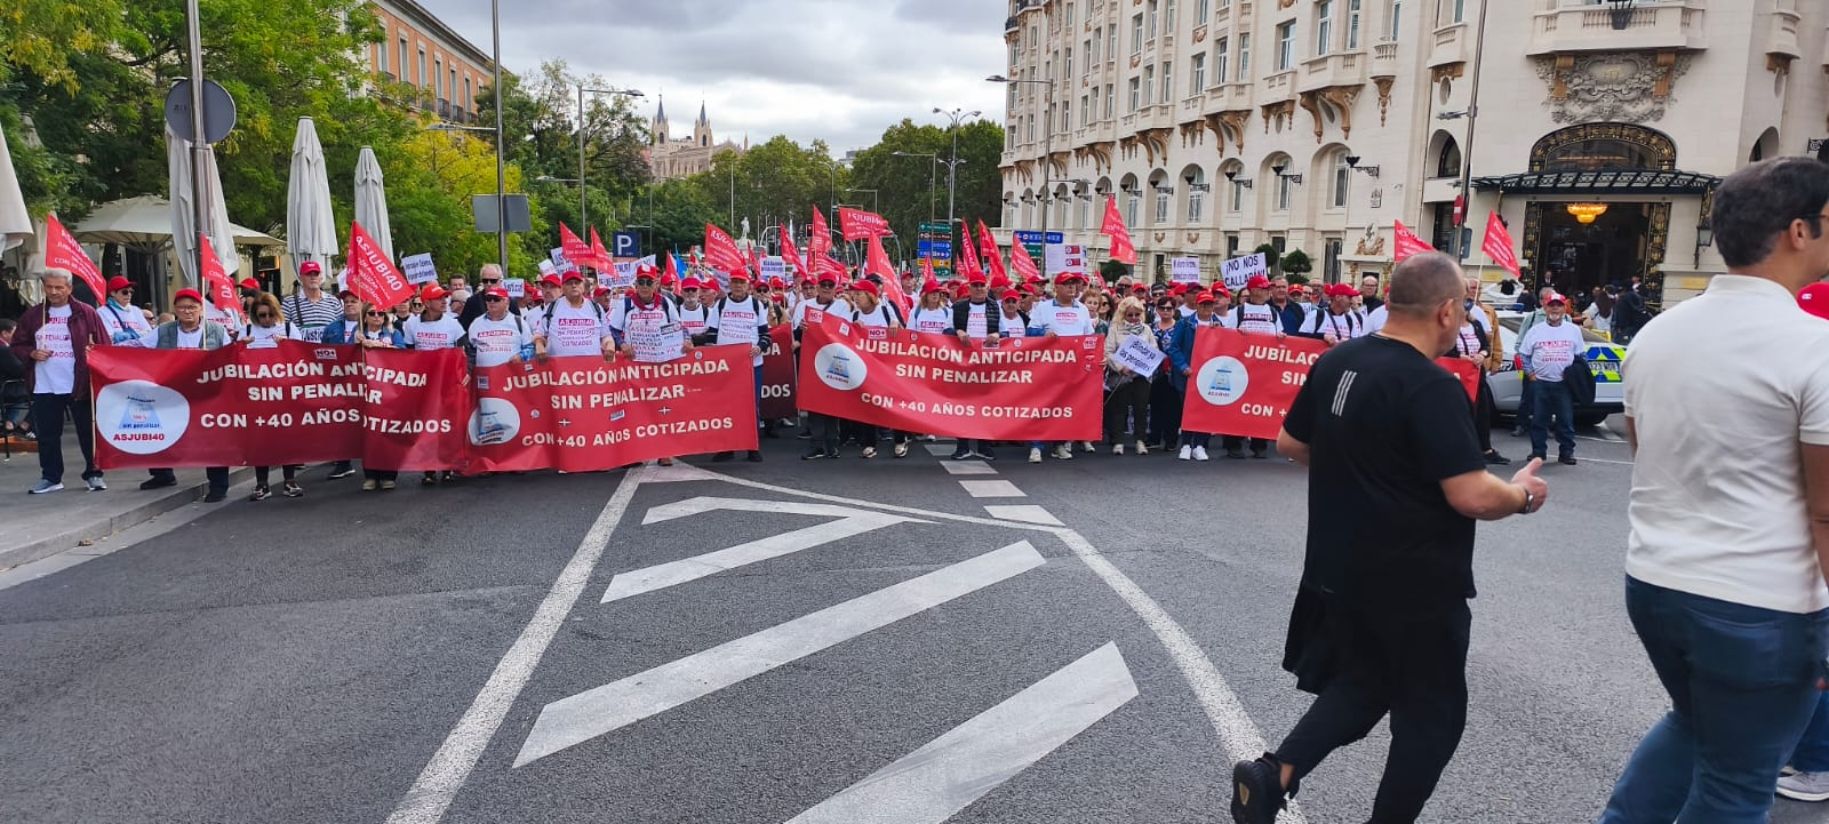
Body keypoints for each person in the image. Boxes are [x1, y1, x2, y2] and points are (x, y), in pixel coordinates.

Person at [1230, 251, 1550, 824]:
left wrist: (1359, 466)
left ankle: (1273, 774)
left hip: (1339, 567)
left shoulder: (1338, 360)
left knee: (1366, 681)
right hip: (1416, 581)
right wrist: (1523, 495)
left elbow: (1290, 443)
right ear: (1448, 311)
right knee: (1433, 715)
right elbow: (1472, 495)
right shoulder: (1431, 386)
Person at [1598, 156, 1829, 823]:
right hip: (1762, 602)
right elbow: (1824, 510)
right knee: (1735, 785)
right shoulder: (1812, 345)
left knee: (1694, 725)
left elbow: (1650, 453)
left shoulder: (1656, 335)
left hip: (1657, 581)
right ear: (1796, 231)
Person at [12, 269, 110, 493]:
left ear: (69, 288)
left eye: (59, 287)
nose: (54, 292)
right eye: (49, 287)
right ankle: (51, 477)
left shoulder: (87, 313)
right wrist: (32, 353)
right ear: (44, 287)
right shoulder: (33, 316)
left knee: (89, 433)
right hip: (44, 385)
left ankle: (94, 474)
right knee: (47, 435)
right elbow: (17, 346)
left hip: (80, 384)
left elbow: (104, 345)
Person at [141, 289, 231, 502]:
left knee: (212, 440)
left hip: (207, 393)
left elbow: (230, 356)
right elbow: (138, 347)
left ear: (201, 308)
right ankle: (162, 474)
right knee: (160, 430)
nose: (187, 311)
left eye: (192, 307)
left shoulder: (217, 331)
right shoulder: (164, 331)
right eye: (182, 307)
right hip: (171, 392)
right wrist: (101, 350)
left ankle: (218, 485)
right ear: (175, 310)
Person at [699, 272, 770, 462]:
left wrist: (759, 348)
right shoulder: (721, 305)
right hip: (726, 367)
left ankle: (751, 447)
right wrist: (712, 351)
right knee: (725, 406)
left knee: (751, 406)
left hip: (751, 365)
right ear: (730, 284)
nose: (738, 286)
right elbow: (712, 333)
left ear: (748, 285)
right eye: (735, 282)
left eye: (742, 283)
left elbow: (766, 336)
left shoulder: (756, 305)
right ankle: (727, 447)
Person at [1026, 273, 1096, 463]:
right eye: (1066, 284)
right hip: (1048, 366)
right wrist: (1043, 332)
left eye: (1073, 283)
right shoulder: (1043, 307)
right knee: (1043, 405)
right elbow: (1030, 331)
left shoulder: (1082, 309)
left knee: (1065, 407)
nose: (1071, 287)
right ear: (1056, 288)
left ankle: (1059, 444)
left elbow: (1090, 337)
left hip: (1072, 367)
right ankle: (1036, 446)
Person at [241, 292, 304, 500]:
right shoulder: (248, 330)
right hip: (257, 394)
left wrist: (287, 345)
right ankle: (262, 483)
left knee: (287, 436)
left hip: (284, 391)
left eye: (269, 314)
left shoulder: (288, 328)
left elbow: (302, 356)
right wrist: (242, 345)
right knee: (260, 438)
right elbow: (235, 359)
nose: (266, 319)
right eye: (261, 315)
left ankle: (289, 480)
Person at [1517, 292, 1583, 466]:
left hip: (1563, 384)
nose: (1555, 308)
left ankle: (1566, 452)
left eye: (1559, 305)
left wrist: (1574, 376)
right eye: (1551, 305)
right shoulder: (1535, 330)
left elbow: (1580, 356)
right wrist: (1531, 374)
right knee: (1539, 420)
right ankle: (1538, 452)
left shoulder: (1573, 330)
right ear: (1545, 308)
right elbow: (1524, 355)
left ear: (1564, 308)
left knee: (1566, 420)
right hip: (1540, 382)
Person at [1226, 275, 1286, 459]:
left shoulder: (1273, 313)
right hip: (1241, 367)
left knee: (1261, 406)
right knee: (1237, 405)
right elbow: (1226, 337)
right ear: (1252, 291)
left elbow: (1280, 334)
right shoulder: (1238, 312)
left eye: (1269, 288)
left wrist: (1281, 337)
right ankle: (1234, 443)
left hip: (1264, 368)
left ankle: (1259, 444)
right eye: (1264, 288)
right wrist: (1237, 334)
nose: (1269, 291)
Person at [844, 279, 903, 459]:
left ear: (870, 296)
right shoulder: (854, 315)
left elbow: (902, 332)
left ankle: (900, 440)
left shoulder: (885, 311)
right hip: (865, 369)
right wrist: (853, 329)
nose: (856, 297)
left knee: (892, 405)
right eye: (855, 293)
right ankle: (870, 443)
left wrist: (896, 325)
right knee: (868, 406)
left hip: (888, 368)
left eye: (859, 293)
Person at [948, 273, 1005, 461]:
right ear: (970, 287)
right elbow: (945, 330)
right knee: (962, 407)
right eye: (976, 285)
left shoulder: (995, 306)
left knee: (986, 406)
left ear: (987, 287)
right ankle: (962, 445)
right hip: (963, 363)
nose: (980, 288)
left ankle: (984, 445)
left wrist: (997, 335)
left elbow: (1006, 331)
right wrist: (958, 331)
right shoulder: (958, 307)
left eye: (982, 285)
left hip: (988, 364)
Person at [1167, 291, 1227, 460]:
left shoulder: (1219, 325)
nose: (1207, 308)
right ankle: (1186, 443)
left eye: (1210, 305)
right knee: (1188, 408)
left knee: (1207, 408)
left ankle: (1200, 444)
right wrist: (1183, 366)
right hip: (1189, 374)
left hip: (1209, 374)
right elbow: (1174, 348)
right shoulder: (1185, 324)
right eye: (1203, 305)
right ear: (1197, 305)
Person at [354, 302, 406, 490]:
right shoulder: (357, 334)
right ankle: (370, 474)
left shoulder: (393, 333)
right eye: (372, 313)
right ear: (365, 316)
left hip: (389, 388)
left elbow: (403, 352)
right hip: (366, 389)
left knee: (388, 430)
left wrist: (377, 345)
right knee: (369, 432)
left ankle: (389, 474)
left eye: (381, 313)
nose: (377, 316)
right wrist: (356, 344)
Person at [1459, 277, 1509, 466]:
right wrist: (1461, 356)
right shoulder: (1445, 319)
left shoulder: (1477, 319)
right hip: (1456, 373)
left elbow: (1487, 340)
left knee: (1481, 411)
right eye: (1469, 288)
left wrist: (1484, 354)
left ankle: (1484, 448)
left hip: (1476, 372)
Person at [1103, 297, 1155, 455]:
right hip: (1121, 376)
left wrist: (1140, 366)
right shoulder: (1115, 329)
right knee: (1119, 410)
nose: (1133, 318)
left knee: (1141, 409)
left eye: (1136, 314)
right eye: (1130, 315)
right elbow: (1108, 351)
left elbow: (1153, 350)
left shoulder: (1146, 329)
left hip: (1141, 376)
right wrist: (1120, 367)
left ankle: (1140, 440)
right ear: (1123, 314)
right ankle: (1118, 441)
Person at [542, 272, 617, 361]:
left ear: (583, 286)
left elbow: (606, 336)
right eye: (569, 283)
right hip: (560, 370)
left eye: (577, 282)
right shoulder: (552, 307)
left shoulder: (596, 308)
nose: (574, 286)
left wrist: (610, 347)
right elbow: (540, 335)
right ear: (562, 288)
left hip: (592, 369)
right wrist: (540, 347)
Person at [1147, 295, 1184, 451]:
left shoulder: (1180, 327)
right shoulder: (1151, 327)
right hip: (1154, 372)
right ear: (1157, 310)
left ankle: (1171, 439)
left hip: (1173, 372)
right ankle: (1154, 437)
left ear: (1174, 310)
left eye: (1169, 308)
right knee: (1155, 406)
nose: (1166, 311)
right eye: (1162, 308)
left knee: (1173, 408)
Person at [284, 261, 342, 342]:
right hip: (302, 352)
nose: (313, 277)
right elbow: (282, 330)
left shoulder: (333, 301)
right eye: (308, 274)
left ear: (321, 277)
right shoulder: (289, 302)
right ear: (300, 278)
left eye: (316, 274)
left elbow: (342, 327)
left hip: (328, 351)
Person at [1300, 283, 1368, 345]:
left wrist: (1347, 343)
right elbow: (1301, 335)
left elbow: (1356, 342)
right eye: (1349, 297)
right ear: (1338, 297)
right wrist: (1323, 336)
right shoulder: (1317, 315)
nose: (1351, 302)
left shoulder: (1350, 320)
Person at [95, 276, 153, 347]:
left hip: (139, 353)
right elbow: (109, 338)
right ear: (113, 293)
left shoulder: (136, 310)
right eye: (124, 292)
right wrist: (138, 335)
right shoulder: (102, 312)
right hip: (117, 354)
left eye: (131, 292)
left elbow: (149, 334)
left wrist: (129, 335)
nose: (129, 294)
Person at [458, 263, 518, 327]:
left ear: (500, 281)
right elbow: (464, 328)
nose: (489, 284)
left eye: (493, 281)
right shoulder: (473, 301)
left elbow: (518, 325)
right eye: (485, 280)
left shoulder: (510, 301)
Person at [0, 319, 30, 443]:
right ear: (5, 333)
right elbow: (19, 370)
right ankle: (14, 424)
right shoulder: (4, 350)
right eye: (15, 333)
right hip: (6, 388)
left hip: (7, 385)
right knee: (41, 396)